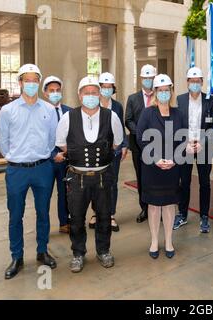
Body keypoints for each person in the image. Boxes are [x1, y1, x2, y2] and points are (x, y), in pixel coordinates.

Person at [55, 76, 124, 273]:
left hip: (103, 176)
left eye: (95, 92)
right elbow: (62, 144)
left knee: (103, 216)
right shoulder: (68, 117)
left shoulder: (111, 116)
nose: (91, 96)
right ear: (79, 95)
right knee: (76, 218)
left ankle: (103, 250)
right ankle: (78, 253)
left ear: (99, 94)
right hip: (77, 177)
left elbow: (117, 142)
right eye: (87, 93)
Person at [0, 64, 57, 279]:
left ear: (38, 83)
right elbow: (2, 142)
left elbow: (52, 140)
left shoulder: (49, 110)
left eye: (35, 80)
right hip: (17, 171)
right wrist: (17, 157)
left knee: (43, 213)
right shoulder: (8, 110)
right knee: (15, 216)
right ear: (20, 82)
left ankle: (42, 251)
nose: (31, 84)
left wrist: (41, 156)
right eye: (27, 80)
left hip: (42, 168)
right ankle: (17, 257)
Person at [136, 74, 184, 259]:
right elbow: (140, 138)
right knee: (154, 205)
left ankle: (169, 240)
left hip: (173, 166)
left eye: (167, 90)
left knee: (170, 204)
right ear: (155, 93)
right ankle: (155, 240)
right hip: (152, 166)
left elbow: (183, 138)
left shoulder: (178, 114)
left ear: (171, 92)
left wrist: (174, 159)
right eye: (160, 91)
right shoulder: (148, 113)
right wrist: (156, 158)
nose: (164, 94)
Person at [173, 67, 213, 233]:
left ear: (202, 82)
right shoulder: (180, 99)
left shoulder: (210, 100)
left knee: (204, 183)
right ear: (187, 83)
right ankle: (182, 214)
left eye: (198, 81)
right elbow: (177, 124)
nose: (195, 84)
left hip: (203, 148)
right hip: (185, 146)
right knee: (183, 182)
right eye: (192, 81)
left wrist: (202, 142)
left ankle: (204, 216)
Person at [88, 72, 128, 232]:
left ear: (113, 88)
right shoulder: (92, 103)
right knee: (95, 183)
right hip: (95, 151)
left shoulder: (117, 106)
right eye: (103, 87)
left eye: (109, 87)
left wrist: (124, 145)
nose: (106, 90)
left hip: (114, 151)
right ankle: (96, 213)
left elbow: (121, 127)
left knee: (112, 183)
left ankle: (110, 214)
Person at [125, 64, 157, 223]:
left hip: (157, 144)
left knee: (156, 176)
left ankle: (157, 206)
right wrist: (140, 133)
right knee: (141, 177)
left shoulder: (160, 97)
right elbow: (128, 119)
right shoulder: (132, 98)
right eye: (145, 78)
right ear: (141, 79)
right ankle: (144, 208)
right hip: (138, 145)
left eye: (151, 78)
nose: (148, 81)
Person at [43, 75, 71, 234]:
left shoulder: (69, 111)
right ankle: (44, 227)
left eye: (58, 90)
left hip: (65, 160)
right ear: (45, 93)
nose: (55, 93)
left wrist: (66, 153)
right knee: (44, 195)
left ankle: (64, 222)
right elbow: (39, 137)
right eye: (51, 91)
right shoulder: (40, 111)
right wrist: (54, 154)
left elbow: (73, 135)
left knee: (65, 193)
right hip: (46, 161)